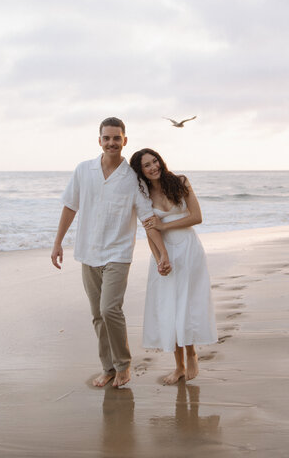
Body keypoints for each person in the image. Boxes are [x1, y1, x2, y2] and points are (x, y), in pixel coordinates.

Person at [51, 118, 171, 389]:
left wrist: (161, 253)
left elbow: (148, 219)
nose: (111, 143)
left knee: (110, 309)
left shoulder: (133, 179)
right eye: (107, 138)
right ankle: (107, 368)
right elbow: (70, 206)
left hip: (118, 253)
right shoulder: (84, 170)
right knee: (97, 314)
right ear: (99, 141)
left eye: (117, 138)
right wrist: (58, 242)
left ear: (124, 140)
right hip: (88, 252)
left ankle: (124, 365)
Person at [129, 148, 218, 385]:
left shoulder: (180, 182)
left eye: (155, 161)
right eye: (146, 165)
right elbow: (149, 230)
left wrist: (165, 225)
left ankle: (192, 355)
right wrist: (160, 258)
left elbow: (197, 217)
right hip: (164, 254)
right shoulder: (143, 195)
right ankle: (178, 366)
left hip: (189, 249)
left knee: (188, 304)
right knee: (170, 306)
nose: (153, 167)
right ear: (141, 171)